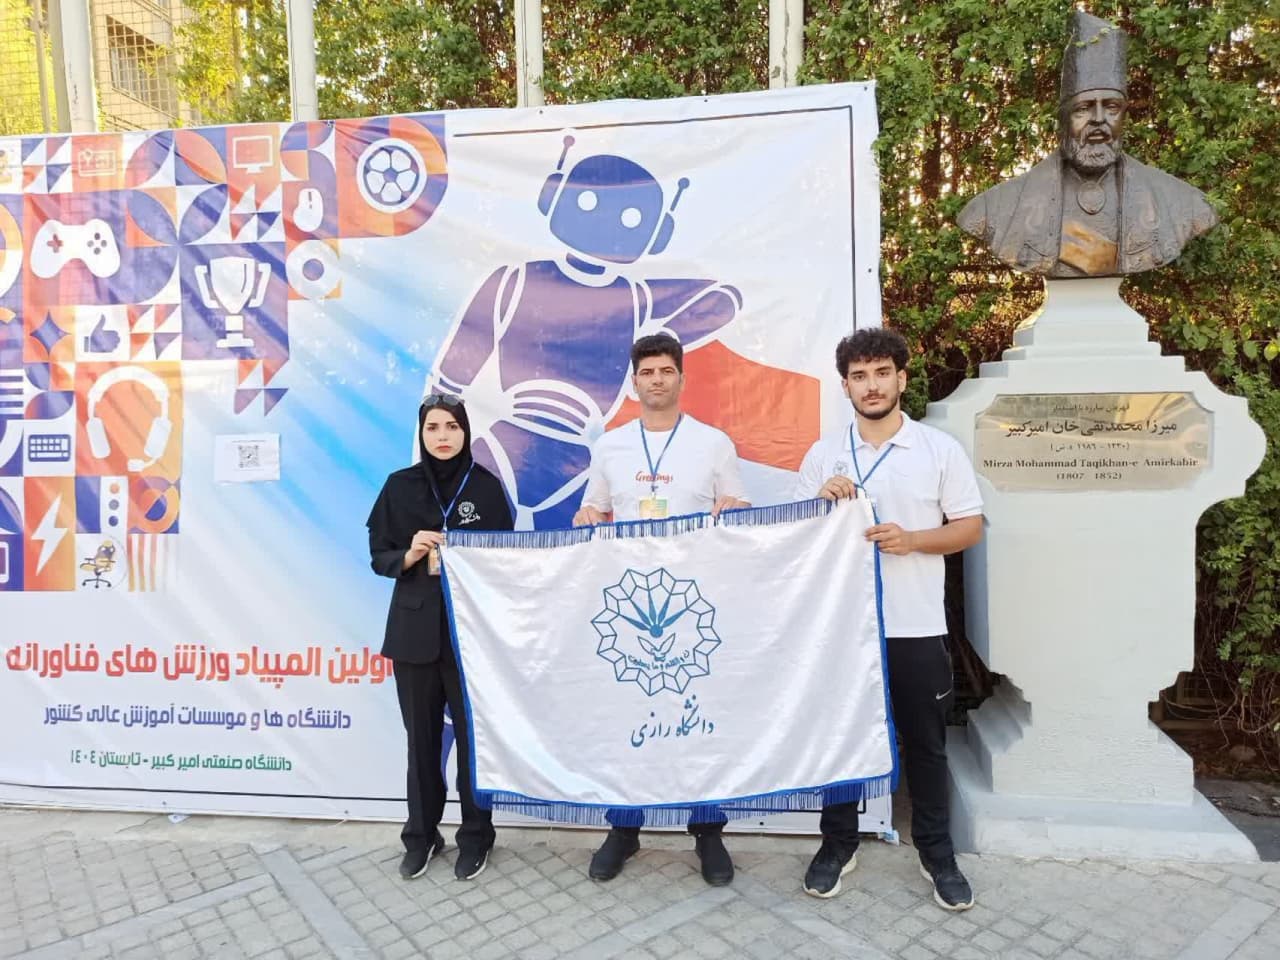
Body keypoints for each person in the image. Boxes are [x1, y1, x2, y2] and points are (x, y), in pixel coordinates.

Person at [794, 328, 983, 911]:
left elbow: (969, 528)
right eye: (859, 376)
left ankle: (936, 852)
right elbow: (797, 540)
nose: (871, 385)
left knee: (926, 744)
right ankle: (838, 844)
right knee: (841, 740)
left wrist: (913, 540)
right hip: (842, 629)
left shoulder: (937, 450)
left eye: (881, 373)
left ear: (902, 378)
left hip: (915, 625)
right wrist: (818, 504)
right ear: (845, 385)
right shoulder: (823, 454)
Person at [572, 332, 750, 885]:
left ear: (681, 378)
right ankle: (624, 829)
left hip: (695, 604)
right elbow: (593, 509)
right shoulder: (611, 446)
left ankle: (708, 832)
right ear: (634, 381)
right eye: (647, 371)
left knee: (698, 716)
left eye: (666, 371)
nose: (656, 380)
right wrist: (587, 517)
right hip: (629, 603)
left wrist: (734, 508)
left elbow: (739, 508)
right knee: (628, 712)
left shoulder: (713, 443)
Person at [367, 394, 514, 881]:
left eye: (452, 426)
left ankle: (477, 836)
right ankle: (421, 836)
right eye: (433, 427)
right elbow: (379, 555)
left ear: (466, 432)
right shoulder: (400, 486)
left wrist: (469, 551)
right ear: (422, 433)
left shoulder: (486, 488)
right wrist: (410, 553)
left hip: (472, 637)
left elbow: (507, 562)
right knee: (422, 744)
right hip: (413, 635)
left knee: (474, 744)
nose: (443, 436)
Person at [957, 10, 1216, 277]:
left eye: (1112, 107)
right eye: (1083, 108)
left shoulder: (1181, 202)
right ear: (1063, 118)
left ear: (1124, 113)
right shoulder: (995, 207)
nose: (1099, 119)